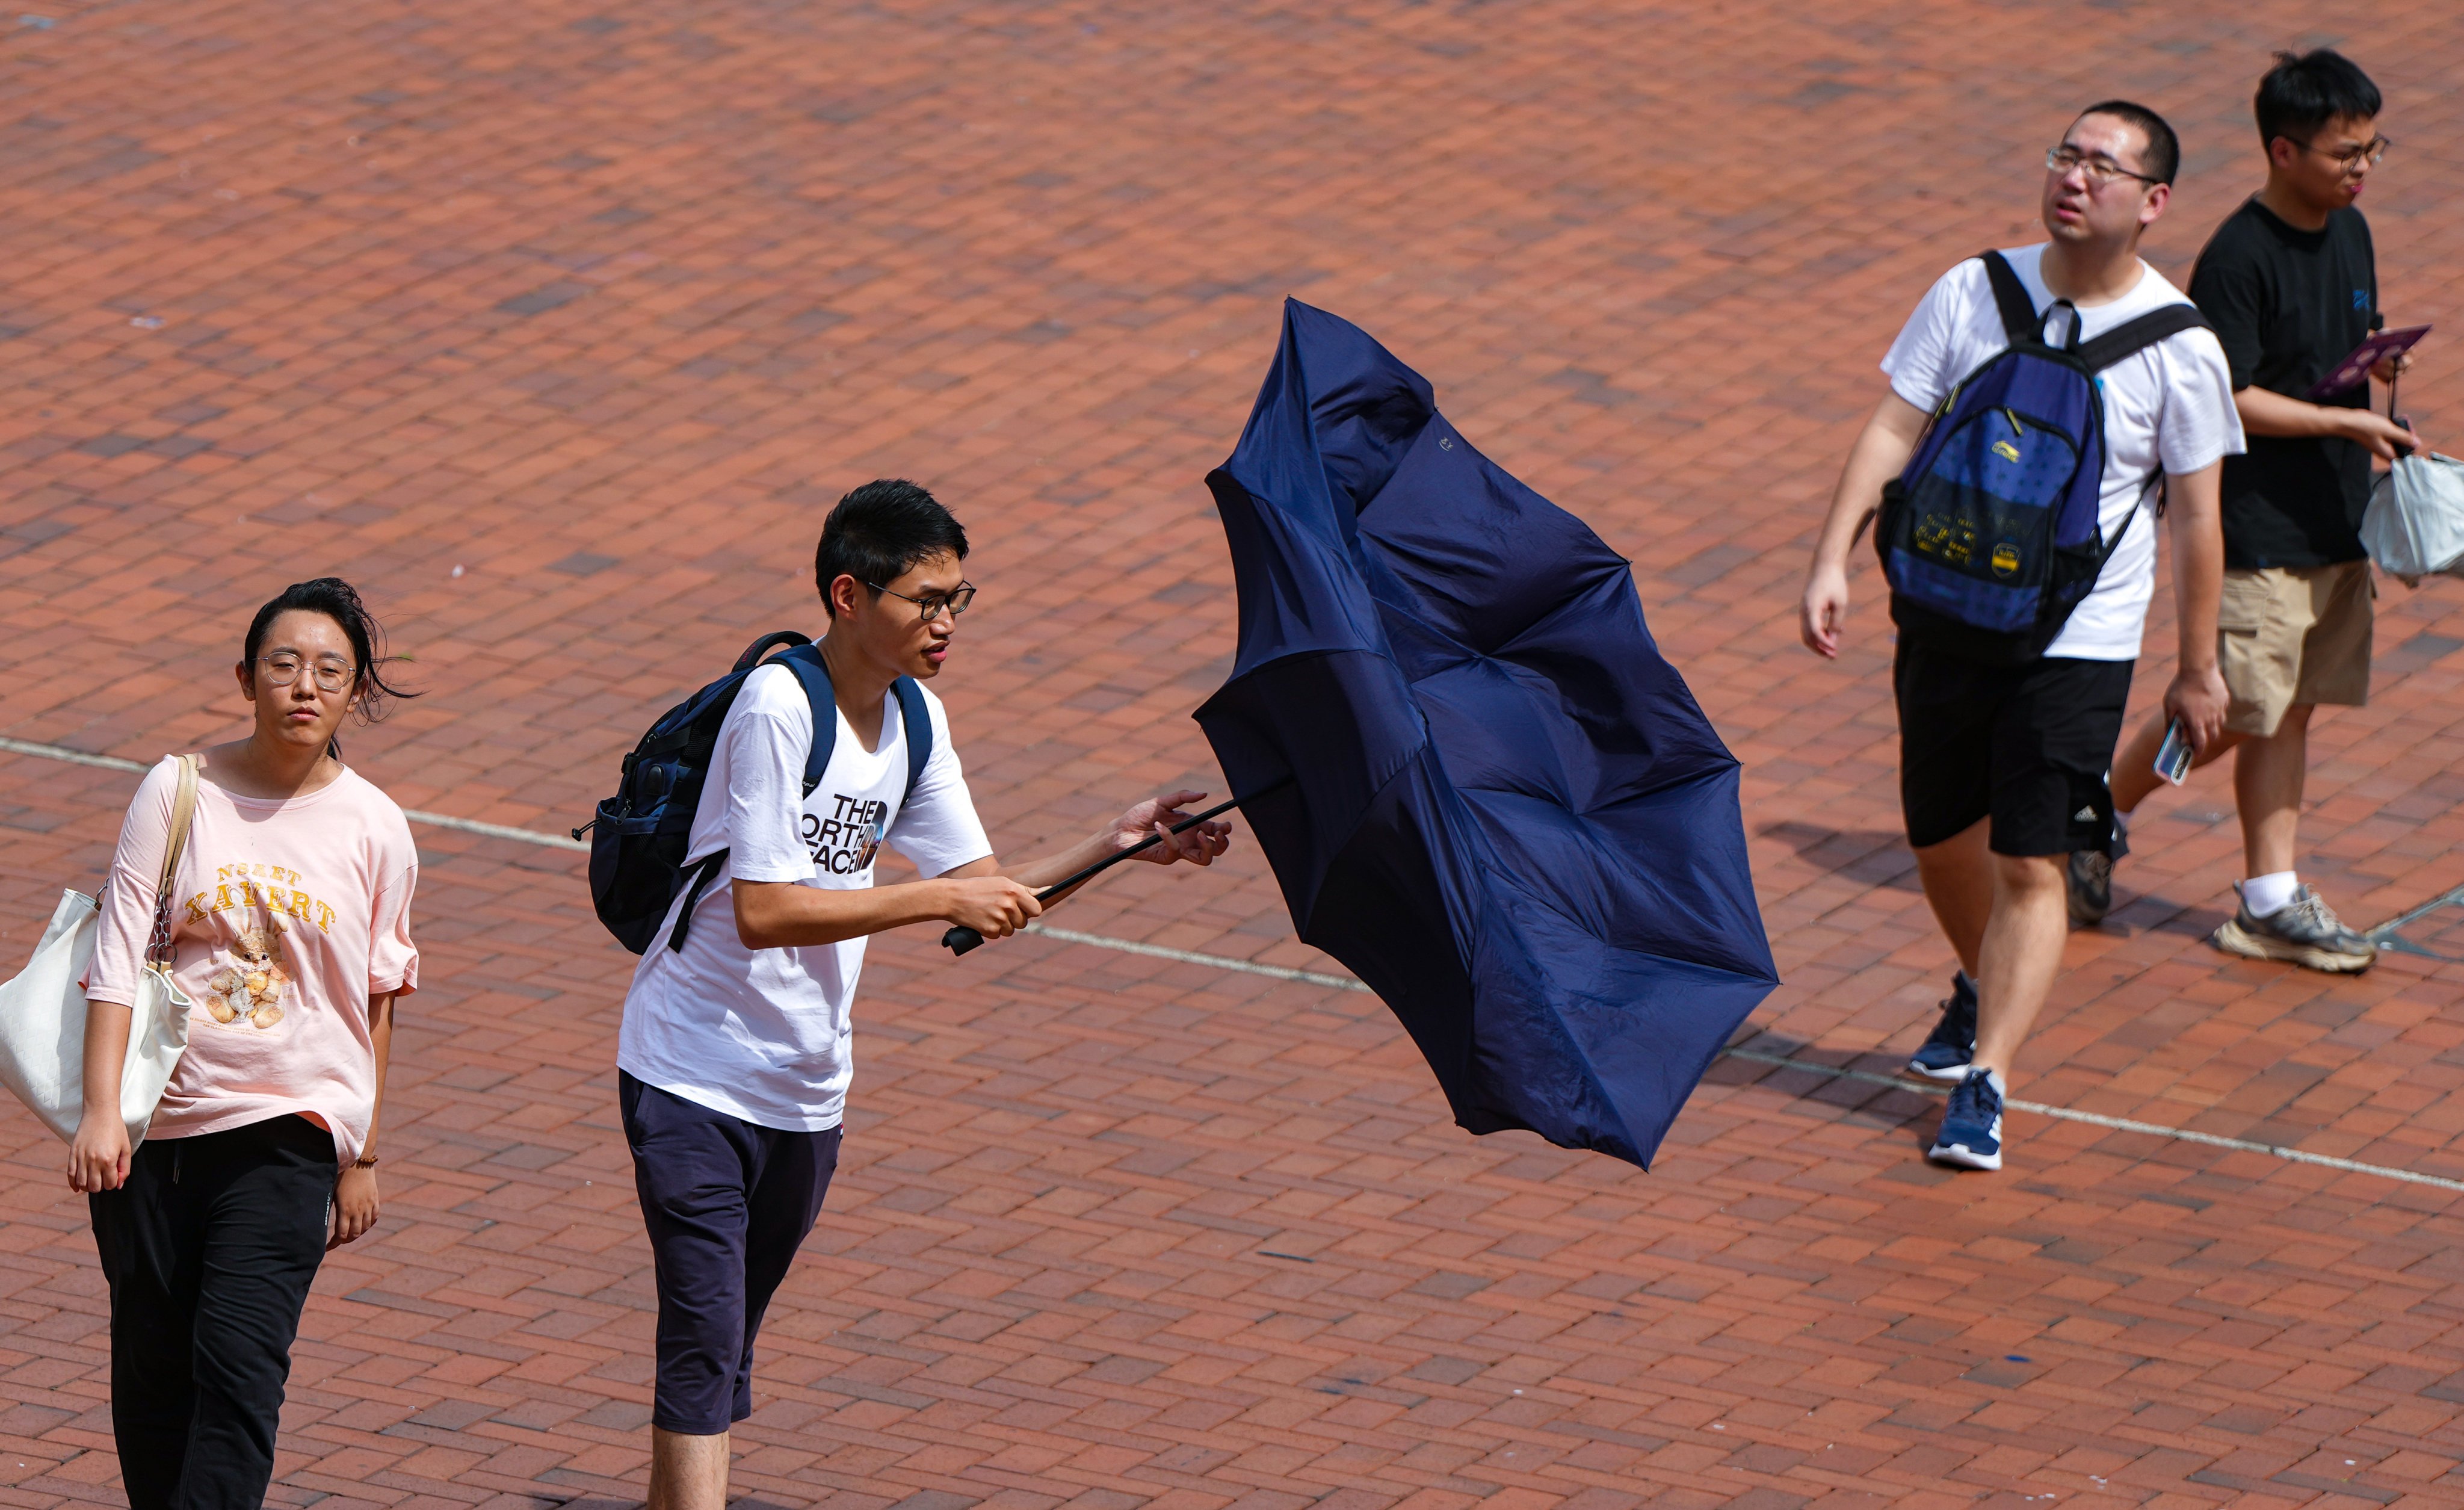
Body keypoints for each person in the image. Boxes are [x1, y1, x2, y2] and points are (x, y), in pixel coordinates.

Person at [616, 478, 1233, 1510]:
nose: (947, 621)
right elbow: (764, 909)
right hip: (691, 1071)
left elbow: (982, 889)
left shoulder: (916, 717)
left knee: (724, 1353)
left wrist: (1122, 844)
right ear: (850, 595)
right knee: (702, 1336)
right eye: (926, 599)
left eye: (959, 597)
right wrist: (925, 896)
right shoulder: (778, 705)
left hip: (808, 1092)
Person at [1799, 103, 2242, 1171]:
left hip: (2077, 640)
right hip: (1948, 611)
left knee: (2032, 859)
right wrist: (1832, 556)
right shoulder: (1974, 290)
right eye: (2065, 156)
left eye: (2103, 166)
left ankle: (1986, 1082)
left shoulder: (2182, 348)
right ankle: (1979, 983)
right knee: (1937, 835)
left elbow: (2196, 516)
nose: (2075, 179)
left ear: (2155, 201)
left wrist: (2195, 665)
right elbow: (1895, 426)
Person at [73, 577, 421, 1510]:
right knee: (151, 1369)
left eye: (330, 671)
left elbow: (378, 998)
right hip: (156, 1136)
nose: (305, 685)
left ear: (355, 695)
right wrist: (103, 1111)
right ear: (246, 678)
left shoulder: (376, 829)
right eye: (284, 664)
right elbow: (115, 955)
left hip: (290, 1139)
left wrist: (364, 1154)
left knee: (238, 1369)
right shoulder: (178, 789)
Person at [2078, 51, 2417, 973]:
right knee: (2226, 709)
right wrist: (2341, 417)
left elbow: (2332, 346)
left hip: (2335, 519)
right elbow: (2231, 395)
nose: (2361, 168)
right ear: (2282, 148)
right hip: (2261, 525)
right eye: (2346, 151)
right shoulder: (2238, 257)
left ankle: (2265, 894)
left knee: (2286, 709)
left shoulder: (2350, 231)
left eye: (2371, 149)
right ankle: (2094, 819)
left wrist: (2371, 370)